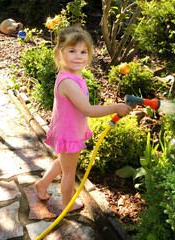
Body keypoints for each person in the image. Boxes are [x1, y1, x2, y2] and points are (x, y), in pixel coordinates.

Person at [35, 26, 132, 212]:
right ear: (59, 53)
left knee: (64, 162)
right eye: (72, 51)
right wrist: (116, 107)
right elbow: (87, 110)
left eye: (83, 52)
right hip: (69, 131)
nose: (79, 56)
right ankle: (66, 204)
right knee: (70, 171)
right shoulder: (69, 82)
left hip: (69, 127)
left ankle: (43, 184)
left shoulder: (73, 73)